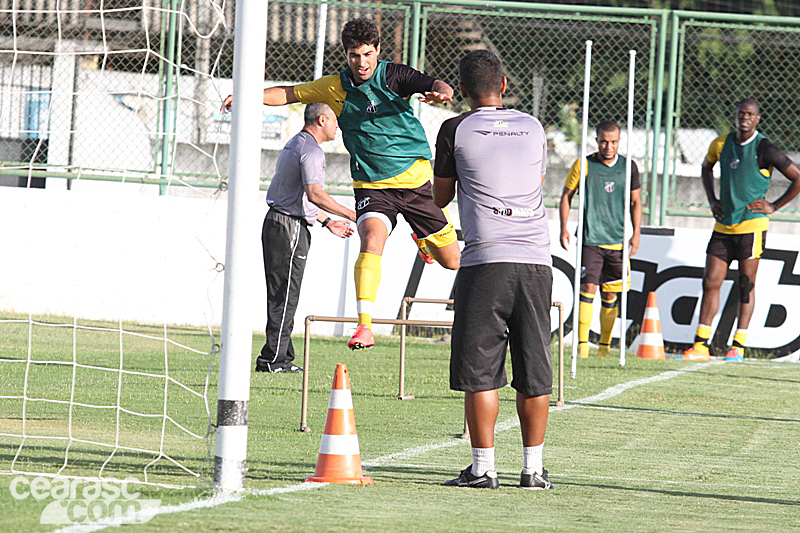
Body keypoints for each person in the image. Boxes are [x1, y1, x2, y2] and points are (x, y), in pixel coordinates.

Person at [223, 17, 460, 351]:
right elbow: (290, 93)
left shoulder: (394, 75)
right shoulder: (334, 86)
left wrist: (441, 94)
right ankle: (365, 326)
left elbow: (438, 84)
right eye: (353, 55)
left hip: (416, 181)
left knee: (452, 261)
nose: (361, 63)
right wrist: (248, 97)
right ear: (346, 54)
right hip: (371, 185)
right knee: (371, 239)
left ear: (377, 50)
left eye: (366, 54)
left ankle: (422, 237)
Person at [433, 50, 553, 490]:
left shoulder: (454, 128)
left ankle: (483, 468)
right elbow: (535, 181)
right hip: (538, 261)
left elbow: (440, 197)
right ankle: (533, 469)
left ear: (462, 90)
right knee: (534, 368)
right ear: (503, 86)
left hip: (485, 261)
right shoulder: (534, 127)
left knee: (481, 370)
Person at [683, 98, 800, 362]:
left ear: (758, 119)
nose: (744, 118)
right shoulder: (721, 144)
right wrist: (712, 200)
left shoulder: (764, 148)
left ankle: (738, 345)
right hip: (724, 226)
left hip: (752, 226)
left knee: (745, 285)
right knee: (711, 281)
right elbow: (706, 167)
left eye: (750, 114)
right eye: (740, 113)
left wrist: (774, 206)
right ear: (735, 116)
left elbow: (797, 177)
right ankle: (701, 345)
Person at [255, 103, 356, 373]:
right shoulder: (311, 151)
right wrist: (351, 213)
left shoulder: (297, 143)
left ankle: (281, 355)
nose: (338, 126)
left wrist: (327, 221)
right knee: (285, 294)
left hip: (279, 222)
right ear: (322, 120)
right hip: (289, 227)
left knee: (282, 293)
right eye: (335, 121)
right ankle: (273, 360)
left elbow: (297, 195)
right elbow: (314, 194)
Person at [559, 121, 642, 358]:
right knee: (588, 288)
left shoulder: (629, 167)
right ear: (596, 140)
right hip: (590, 238)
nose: (608, 146)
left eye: (613, 142)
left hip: (617, 240)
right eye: (604, 141)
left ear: (619, 142)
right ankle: (582, 345)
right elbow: (567, 196)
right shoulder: (584, 164)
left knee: (610, 294)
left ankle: (604, 347)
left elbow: (636, 202)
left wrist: (636, 234)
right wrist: (564, 227)